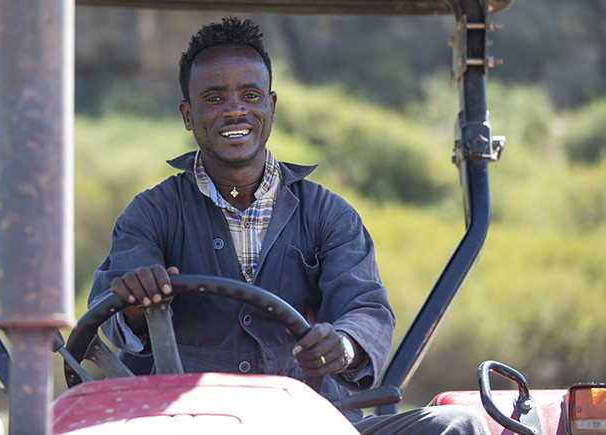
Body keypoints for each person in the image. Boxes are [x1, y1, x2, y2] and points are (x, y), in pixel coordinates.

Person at [87, 16, 489, 435]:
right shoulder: (151, 214)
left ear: (271, 107)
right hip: (186, 424)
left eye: (249, 95)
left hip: (311, 423)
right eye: (214, 98)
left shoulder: (329, 215)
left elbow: (364, 309)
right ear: (188, 115)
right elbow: (109, 313)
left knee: (457, 424)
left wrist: (344, 345)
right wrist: (134, 305)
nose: (234, 109)